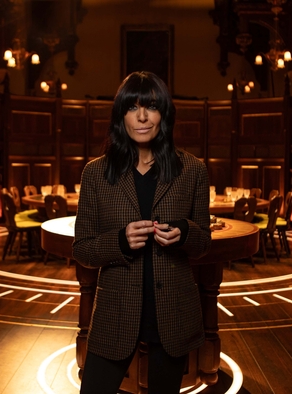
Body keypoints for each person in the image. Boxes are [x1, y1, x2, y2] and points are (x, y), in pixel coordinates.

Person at [72, 71, 212, 393]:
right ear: (121, 116)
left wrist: (184, 232)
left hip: (173, 313)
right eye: (133, 108)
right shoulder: (96, 173)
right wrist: (119, 241)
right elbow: (82, 249)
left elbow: (203, 242)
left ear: (165, 113)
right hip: (115, 313)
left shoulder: (192, 170)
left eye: (151, 107)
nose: (143, 117)